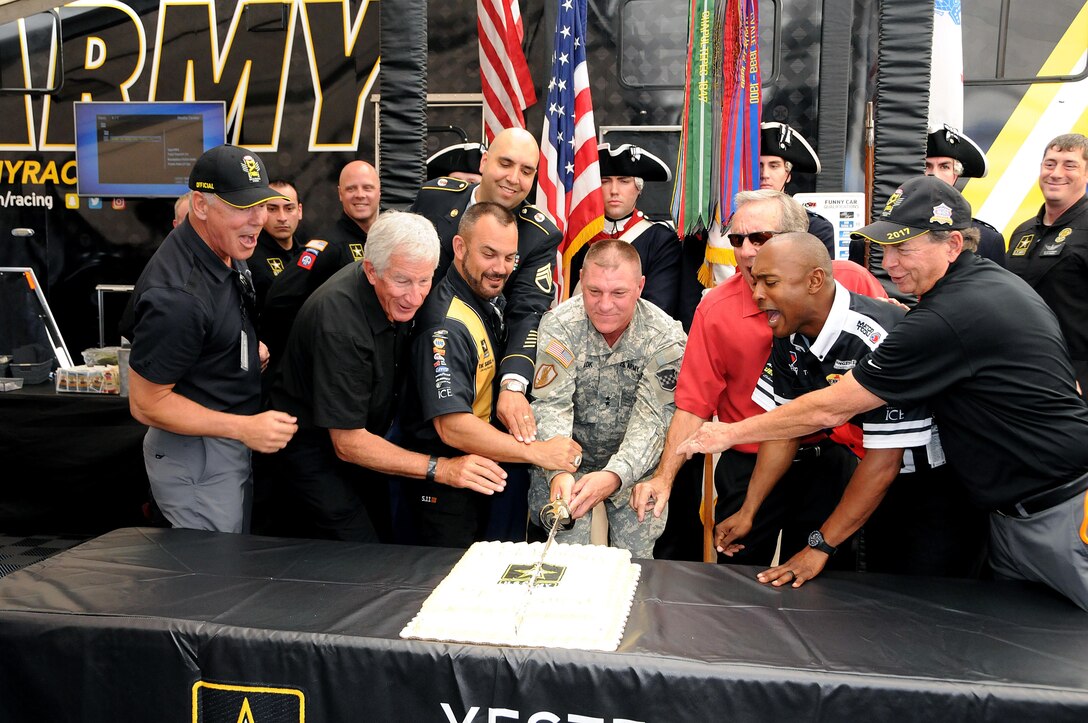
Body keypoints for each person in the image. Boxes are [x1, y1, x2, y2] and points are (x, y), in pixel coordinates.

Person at [675, 175, 1088, 611]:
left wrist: (727, 435)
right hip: (1009, 513)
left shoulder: (940, 317)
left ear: (952, 245)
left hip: (1056, 510)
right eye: (885, 247)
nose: (889, 262)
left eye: (904, 248)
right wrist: (751, 508)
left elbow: (831, 409)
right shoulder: (970, 291)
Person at [630, 190, 886, 567]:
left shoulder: (849, 283)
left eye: (760, 238)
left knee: (829, 586)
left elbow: (891, 359)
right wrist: (664, 477)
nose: (747, 251)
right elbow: (693, 405)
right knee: (739, 587)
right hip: (748, 470)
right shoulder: (715, 309)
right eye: (737, 239)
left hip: (831, 461)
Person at [714, 232, 951, 582]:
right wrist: (749, 510)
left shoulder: (878, 335)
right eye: (755, 281)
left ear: (814, 281)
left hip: (934, 490)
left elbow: (885, 462)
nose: (757, 294)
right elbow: (786, 428)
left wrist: (818, 548)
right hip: (872, 479)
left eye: (770, 282)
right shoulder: (788, 331)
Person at [265, 211, 507, 542]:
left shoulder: (408, 283)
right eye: (402, 281)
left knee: (385, 549)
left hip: (367, 448)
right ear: (371, 270)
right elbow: (348, 443)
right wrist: (443, 469)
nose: (415, 297)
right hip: (313, 455)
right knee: (362, 555)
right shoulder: (339, 321)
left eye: (424, 281)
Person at [128, 144, 299, 533]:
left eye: (262, 205)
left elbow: (208, 327)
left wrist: (238, 348)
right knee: (209, 580)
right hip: (198, 457)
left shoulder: (223, 247)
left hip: (222, 443)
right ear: (200, 205)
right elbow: (145, 403)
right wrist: (243, 428)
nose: (257, 220)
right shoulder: (179, 297)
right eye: (242, 207)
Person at [400, 202, 581, 548]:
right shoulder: (444, 325)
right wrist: (539, 452)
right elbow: (452, 426)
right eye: (489, 254)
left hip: (482, 478)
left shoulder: (483, 294)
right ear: (459, 247)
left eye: (510, 257)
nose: (500, 268)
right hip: (445, 489)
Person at [528, 240, 686, 558]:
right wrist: (559, 471)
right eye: (594, 291)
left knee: (638, 567)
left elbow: (653, 418)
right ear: (582, 279)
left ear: (640, 287)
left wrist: (616, 475)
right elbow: (551, 404)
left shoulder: (665, 337)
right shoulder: (560, 326)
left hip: (636, 468)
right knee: (563, 564)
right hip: (568, 465)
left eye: (618, 293)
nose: (604, 304)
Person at [410, 127, 562, 445]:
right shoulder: (433, 197)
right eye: (505, 163)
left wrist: (513, 385)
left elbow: (527, 313)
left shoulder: (538, 234)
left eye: (526, 171)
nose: (513, 178)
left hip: (478, 375)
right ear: (484, 162)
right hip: (411, 363)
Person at [262, 160, 381, 362]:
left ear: (379, 191)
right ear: (340, 193)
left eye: (367, 188)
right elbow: (279, 299)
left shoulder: (380, 241)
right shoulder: (328, 246)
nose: (360, 194)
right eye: (351, 188)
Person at [1006, 133, 1088, 400]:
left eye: (1069, 165)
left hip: (1076, 380)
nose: (1056, 173)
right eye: (1050, 164)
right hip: (1021, 373)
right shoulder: (1022, 232)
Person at [566, 143, 682, 318]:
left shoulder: (660, 240)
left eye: (624, 181)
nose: (614, 190)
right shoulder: (575, 237)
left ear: (639, 188)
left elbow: (658, 308)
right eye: (605, 181)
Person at [759, 122, 836, 255]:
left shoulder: (815, 228)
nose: (764, 174)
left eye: (774, 166)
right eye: (759, 166)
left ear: (788, 174)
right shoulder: (732, 223)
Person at [250, 180, 305, 316]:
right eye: (272, 209)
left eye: (289, 208)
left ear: (299, 211)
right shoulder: (249, 257)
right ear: (260, 211)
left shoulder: (308, 255)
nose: (282, 218)